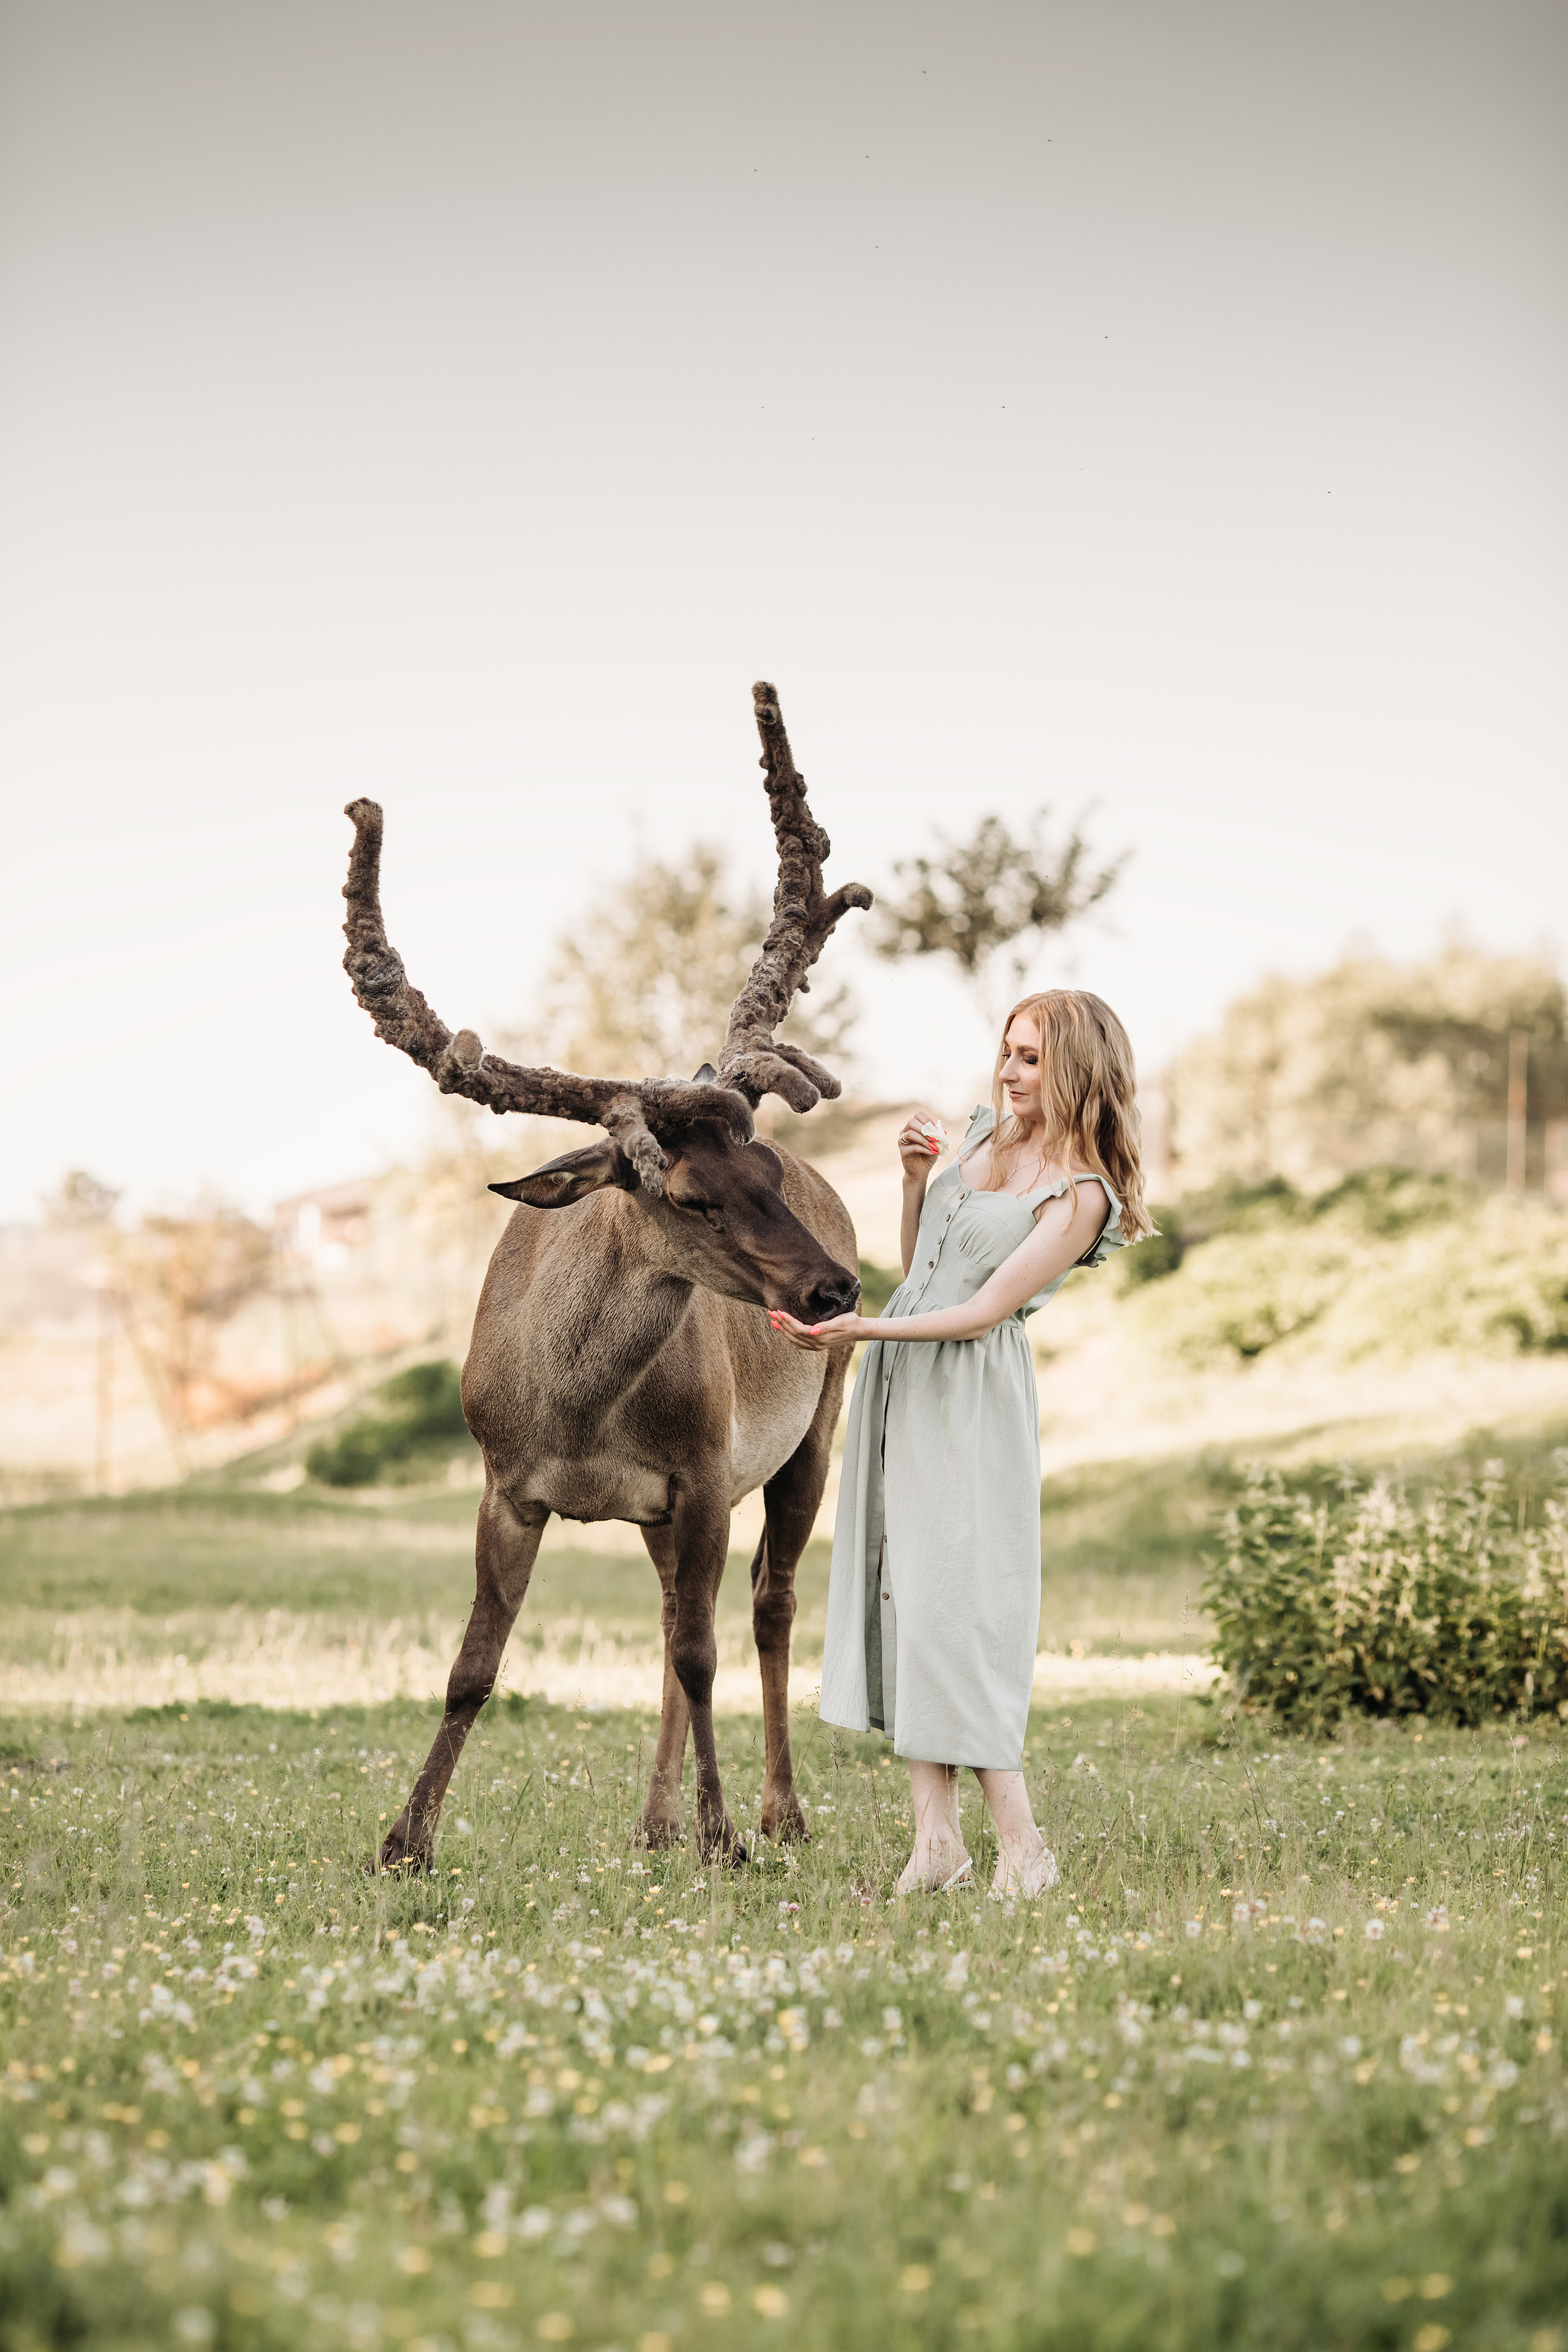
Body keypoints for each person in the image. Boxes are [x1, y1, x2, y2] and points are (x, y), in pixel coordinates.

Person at [770, 989, 1152, 1898]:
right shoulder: (985, 1139)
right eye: (1008, 1053)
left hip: (970, 1393)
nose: (1011, 1073)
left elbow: (982, 1310)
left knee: (956, 1610)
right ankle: (936, 1842)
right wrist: (913, 1181)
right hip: (906, 1373)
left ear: (1081, 1069)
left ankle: (1024, 1848)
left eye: (1032, 1059)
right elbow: (924, 1274)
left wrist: (854, 1335)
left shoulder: (1082, 1196)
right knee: (903, 1594)